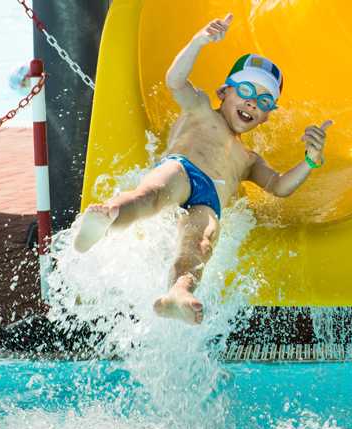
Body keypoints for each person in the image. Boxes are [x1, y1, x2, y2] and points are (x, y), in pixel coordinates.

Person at [73, 13, 332, 325]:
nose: (252, 103)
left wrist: (311, 159)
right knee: (152, 194)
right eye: (246, 92)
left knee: (201, 244)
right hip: (181, 170)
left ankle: (178, 293)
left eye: (264, 101)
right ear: (224, 93)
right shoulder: (199, 109)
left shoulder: (249, 159)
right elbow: (175, 80)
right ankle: (108, 215)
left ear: (266, 117)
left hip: (209, 201)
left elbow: (279, 186)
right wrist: (199, 42)